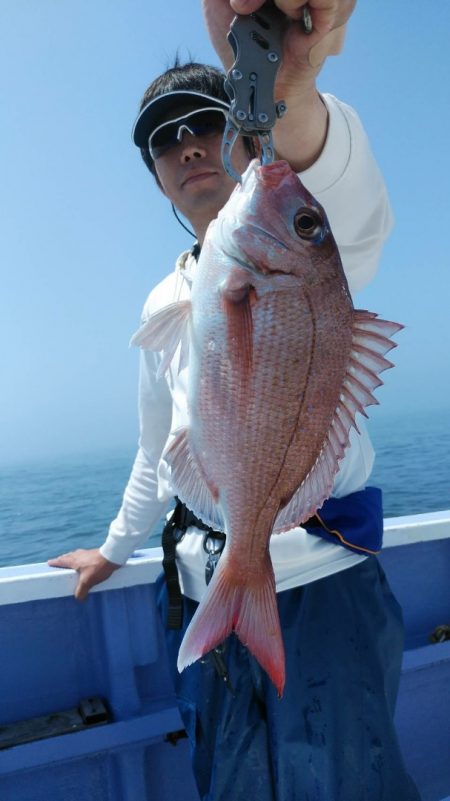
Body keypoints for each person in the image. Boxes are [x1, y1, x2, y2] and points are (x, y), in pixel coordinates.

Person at [49, 2, 421, 799]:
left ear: (244, 134)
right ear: (153, 172)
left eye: (204, 122)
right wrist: (115, 548)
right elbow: (159, 449)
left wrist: (293, 91)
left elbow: (343, 189)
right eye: (163, 138)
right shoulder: (167, 299)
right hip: (204, 598)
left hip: (324, 588)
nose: (186, 144)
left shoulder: (312, 233)